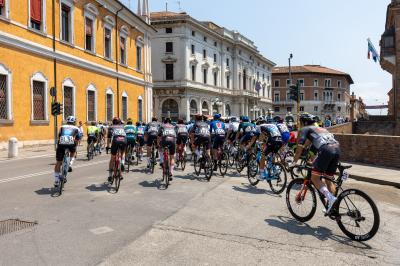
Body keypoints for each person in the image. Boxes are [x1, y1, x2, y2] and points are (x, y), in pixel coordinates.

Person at [291, 114, 341, 213]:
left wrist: (293, 163)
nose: (300, 125)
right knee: (329, 180)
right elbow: (307, 145)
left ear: (304, 122)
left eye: (300, 122)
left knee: (314, 178)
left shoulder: (305, 129)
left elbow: (299, 149)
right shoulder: (321, 129)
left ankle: (330, 198)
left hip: (326, 150)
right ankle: (332, 206)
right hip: (337, 149)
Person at [54, 116, 80, 187]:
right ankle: (70, 163)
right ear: (74, 122)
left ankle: (56, 180)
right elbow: (77, 139)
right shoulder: (76, 128)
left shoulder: (62, 127)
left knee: (58, 162)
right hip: (71, 143)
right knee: (73, 151)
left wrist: (58, 145)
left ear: (67, 121)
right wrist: (75, 147)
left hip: (61, 143)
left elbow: (59, 136)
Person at [106, 117, 127, 183]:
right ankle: (123, 163)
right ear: (120, 122)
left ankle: (110, 175)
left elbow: (109, 138)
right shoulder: (123, 127)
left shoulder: (111, 127)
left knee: (112, 158)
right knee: (122, 153)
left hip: (116, 140)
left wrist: (107, 146)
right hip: (124, 140)